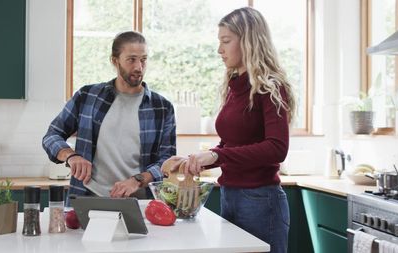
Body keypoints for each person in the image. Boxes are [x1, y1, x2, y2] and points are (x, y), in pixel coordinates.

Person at [164, 7, 295, 253]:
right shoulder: (235, 86)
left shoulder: (271, 86)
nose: (219, 50)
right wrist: (195, 161)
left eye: (226, 41)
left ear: (248, 41)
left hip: (260, 201)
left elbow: (277, 148)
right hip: (230, 195)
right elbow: (230, 145)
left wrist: (217, 156)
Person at [43, 31, 176, 200]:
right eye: (131, 59)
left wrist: (137, 180)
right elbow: (52, 135)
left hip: (140, 202)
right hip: (88, 197)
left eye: (143, 59)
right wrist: (71, 156)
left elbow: (168, 162)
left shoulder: (162, 107)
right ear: (115, 60)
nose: (138, 67)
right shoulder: (87, 97)